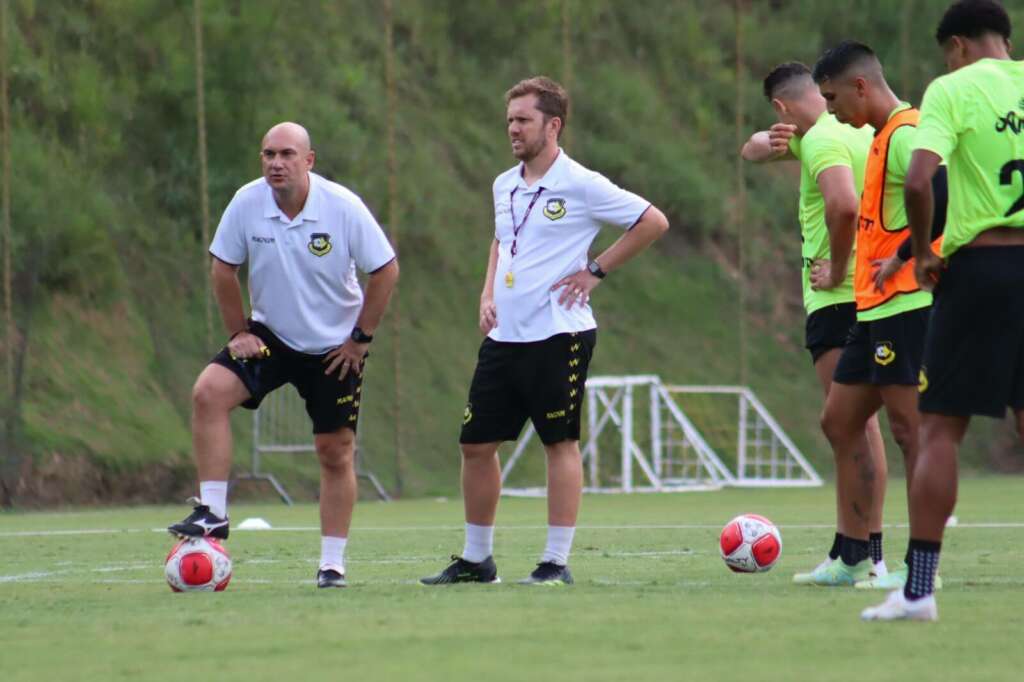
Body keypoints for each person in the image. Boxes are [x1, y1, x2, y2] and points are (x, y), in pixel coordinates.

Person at [420, 76, 669, 586]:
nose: (513, 129)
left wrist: (595, 271)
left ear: (553, 125)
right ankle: (477, 560)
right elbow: (501, 240)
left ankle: (555, 562)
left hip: (559, 335)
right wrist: (487, 293)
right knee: (475, 445)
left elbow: (652, 221)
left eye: (523, 120)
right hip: (504, 337)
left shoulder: (581, 183)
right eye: (510, 120)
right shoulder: (503, 184)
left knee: (559, 442)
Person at [167, 122, 399, 590]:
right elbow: (223, 268)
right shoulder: (246, 202)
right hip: (270, 336)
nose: (276, 163)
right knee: (208, 393)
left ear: (308, 160)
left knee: (335, 453)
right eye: (268, 154)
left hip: (334, 348)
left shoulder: (342, 207)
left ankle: (331, 565)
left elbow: (386, 270)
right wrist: (238, 331)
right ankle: (213, 513)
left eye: (287, 154)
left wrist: (359, 340)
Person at [863, 0, 1024, 622]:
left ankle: (919, 591)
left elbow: (918, 181)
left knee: (940, 430)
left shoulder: (952, 89)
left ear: (957, 45)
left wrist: (925, 253)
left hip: (981, 269)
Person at [741, 63, 889, 584]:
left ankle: (859, 555)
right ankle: (860, 551)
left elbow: (843, 207)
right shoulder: (861, 130)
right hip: (878, 291)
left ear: (780, 105)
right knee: (863, 427)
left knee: (852, 427)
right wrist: (771, 139)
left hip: (838, 298)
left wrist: (839, 269)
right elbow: (751, 150)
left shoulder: (823, 138)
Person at [811, 42, 948, 588]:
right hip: (873, 310)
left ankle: (922, 565)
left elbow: (943, 193)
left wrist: (906, 255)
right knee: (839, 421)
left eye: (832, 98)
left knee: (911, 432)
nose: (830, 109)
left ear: (861, 87)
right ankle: (851, 556)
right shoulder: (880, 136)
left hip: (907, 306)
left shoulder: (908, 131)